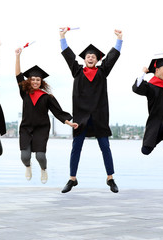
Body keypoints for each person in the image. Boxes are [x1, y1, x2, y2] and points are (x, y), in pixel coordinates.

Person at [59, 28, 123, 193]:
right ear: (85, 59)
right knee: (76, 147)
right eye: (88, 56)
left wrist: (119, 40)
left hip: (99, 116)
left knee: (105, 147)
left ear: (97, 59)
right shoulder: (77, 71)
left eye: (93, 56)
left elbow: (112, 57)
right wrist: (62, 37)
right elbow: (68, 56)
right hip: (81, 117)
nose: (90, 58)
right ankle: (72, 179)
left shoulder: (102, 72)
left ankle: (110, 178)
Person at [15, 48, 78, 184]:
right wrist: (18, 56)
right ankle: (28, 167)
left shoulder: (47, 97)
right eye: (33, 79)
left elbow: (58, 112)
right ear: (29, 81)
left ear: (41, 81)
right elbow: (18, 75)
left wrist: (69, 123)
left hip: (41, 129)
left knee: (40, 156)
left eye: (38, 80)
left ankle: (43, 169)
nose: (35, 82)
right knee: (24, 156)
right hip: (26, 128)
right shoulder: (24, 93)